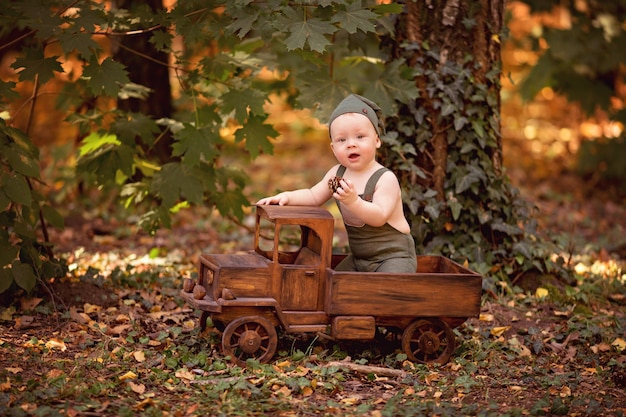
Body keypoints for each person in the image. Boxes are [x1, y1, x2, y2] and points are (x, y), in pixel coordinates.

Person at [256, 94, 417, 273]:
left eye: (360, 136)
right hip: (360, 258)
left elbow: (379, 217)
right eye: (342, 140)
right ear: (333, 147)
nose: (351, 144)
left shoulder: (385, 178)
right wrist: (287, 196)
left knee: (383, 290)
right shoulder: (337, 174)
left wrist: (353, 202)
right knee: (333, 284)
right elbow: (313, 195)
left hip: (394, 257)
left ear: (377, 140)